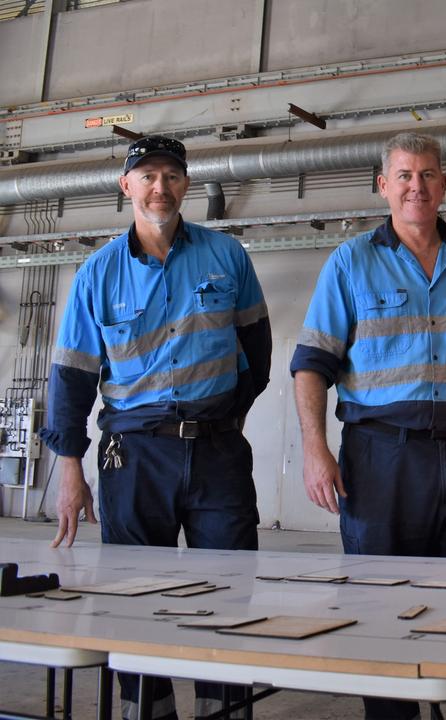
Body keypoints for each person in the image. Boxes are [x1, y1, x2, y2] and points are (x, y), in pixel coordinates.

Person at [41, 135, 271, 720]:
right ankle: (150, 711)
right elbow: (70, 380)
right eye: (146, 176)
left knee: (228, 591)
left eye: (171, 175)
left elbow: (257, 353)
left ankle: (224, 711)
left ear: (186, 185)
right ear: (126, 187)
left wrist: (223, 416)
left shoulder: (227, 258)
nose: (159, 187)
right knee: (133, 598)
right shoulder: (97, 274)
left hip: (217, 451)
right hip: (134, 455)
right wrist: (71, 469)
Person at [291, 132, 446, 720]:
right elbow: (311, 365)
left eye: (428, 175)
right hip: (379, 457)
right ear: (383, 185)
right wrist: (316, 450)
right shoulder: (350, 260)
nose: (416, 185)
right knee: (381, 617)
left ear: (444, 185)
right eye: (404, 175)